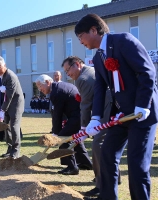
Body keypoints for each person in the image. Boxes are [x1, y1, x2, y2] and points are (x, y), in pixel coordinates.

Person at [75, 14, 158, 200]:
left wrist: (143, 105)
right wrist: (95, 117)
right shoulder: (98, 57)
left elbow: (147, 72)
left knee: (137, 165)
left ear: (94, 30)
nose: (80, 42)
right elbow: (100, 88)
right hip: (121, 115)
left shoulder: (124, 41)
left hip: (142, 114)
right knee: (107, 153)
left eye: (80, 36)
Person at [62, 56, 117, 196]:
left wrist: (83, 129)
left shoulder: (82, 79)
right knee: (107, 145)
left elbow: (85, 105)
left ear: (78, 65)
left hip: (108, 108)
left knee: (98, 144)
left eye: (68, 69)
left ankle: (102, 185)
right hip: (110, 108)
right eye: (66, 72)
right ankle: (113, 179)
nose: (68, 74)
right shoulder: (88, 72)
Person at [35, 74, 92, 175]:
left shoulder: (56, 92)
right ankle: (85, 162)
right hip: (80, 115)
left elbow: (57, 114)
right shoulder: (60, 87)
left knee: (63, 139)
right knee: (75, 139)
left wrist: (56, 134)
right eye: (38, 87)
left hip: (78, 116)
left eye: (40, 86)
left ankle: (72, 167)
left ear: (48, 82)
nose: (40, 89)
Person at [0, 56, 24, 158]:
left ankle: (15, 151)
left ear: (4, 65)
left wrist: (2, 109)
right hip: (5, 104)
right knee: (7, 127)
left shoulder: (11, 76)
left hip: (16, 104)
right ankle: (10, 148)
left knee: (14, 127)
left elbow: (9, 96)